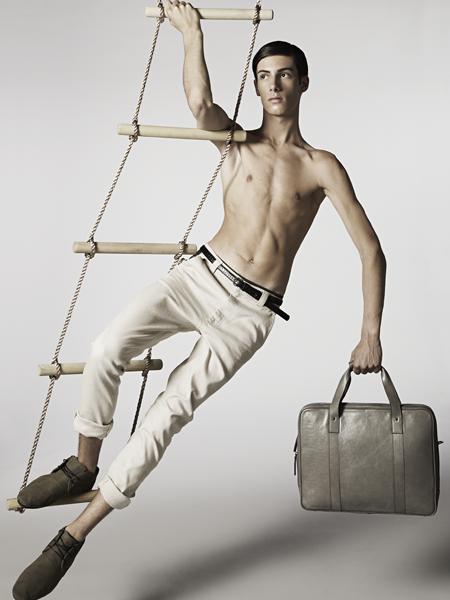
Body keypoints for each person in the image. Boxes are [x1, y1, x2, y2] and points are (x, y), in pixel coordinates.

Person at [12, 1, 386, 598]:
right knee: (107, 347)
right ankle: (82, 463)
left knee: (168, 413)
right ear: (255, 86)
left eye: (285, 75)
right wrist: (192, 33)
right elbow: (198, 103)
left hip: (251, 313)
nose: (273, 86)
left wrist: (370, 333)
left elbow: (370, 250)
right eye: (264, 76)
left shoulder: (321, 166)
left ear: (303, 83)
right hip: (199, 277)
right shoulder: (236, 144)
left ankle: (74, 535)